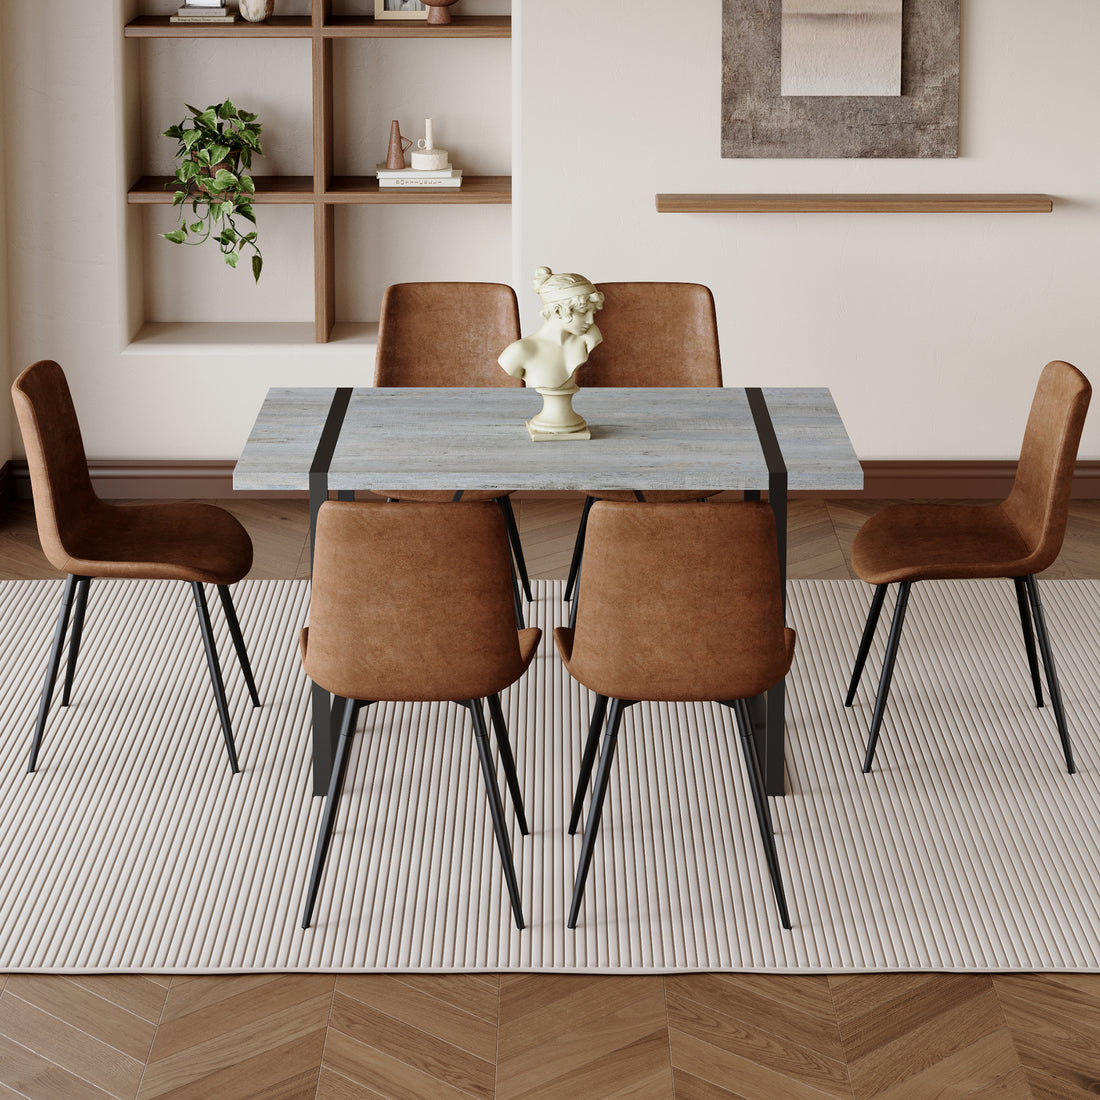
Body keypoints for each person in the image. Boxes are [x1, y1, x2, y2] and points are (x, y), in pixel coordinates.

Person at [499, 267, 605, 392]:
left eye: (593, 312)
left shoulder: (591, 337)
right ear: (558, 311)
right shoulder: (519, 352)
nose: (591, 321)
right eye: (583, 312)